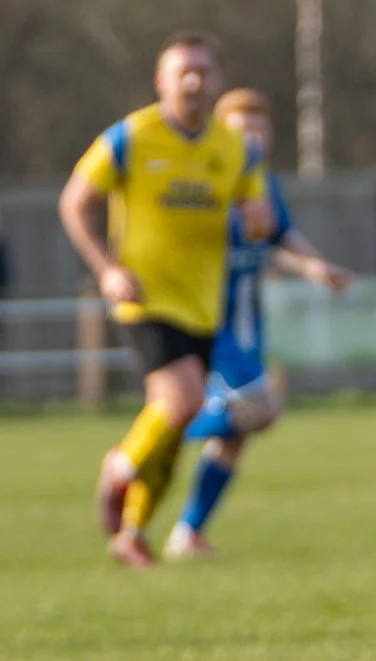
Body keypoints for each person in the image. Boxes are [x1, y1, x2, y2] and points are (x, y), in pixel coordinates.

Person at [58, 32, 273, 568]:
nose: (194, 81)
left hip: (203, 304)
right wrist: (106, 269)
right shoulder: (132, 136)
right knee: (182, 402)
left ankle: (132, 532)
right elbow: (75, 201)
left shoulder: (233, 149)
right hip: (144, 296)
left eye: (203, 71)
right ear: (162, 80)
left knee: (173, 425)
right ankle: (119, 468)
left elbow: (258, 213)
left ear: (217, 81)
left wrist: (257, 218)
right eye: (183, 72)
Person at [165, 89, 353, 560]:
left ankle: (187, 532)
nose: (252, 138)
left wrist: (315, 267)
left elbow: (280, 237)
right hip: (209, 320)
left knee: (238, 434)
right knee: (260, 407)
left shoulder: (262, 184)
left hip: (247, 321)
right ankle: (150, 445)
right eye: (241, 129)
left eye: (260, 129)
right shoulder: (203, 179)